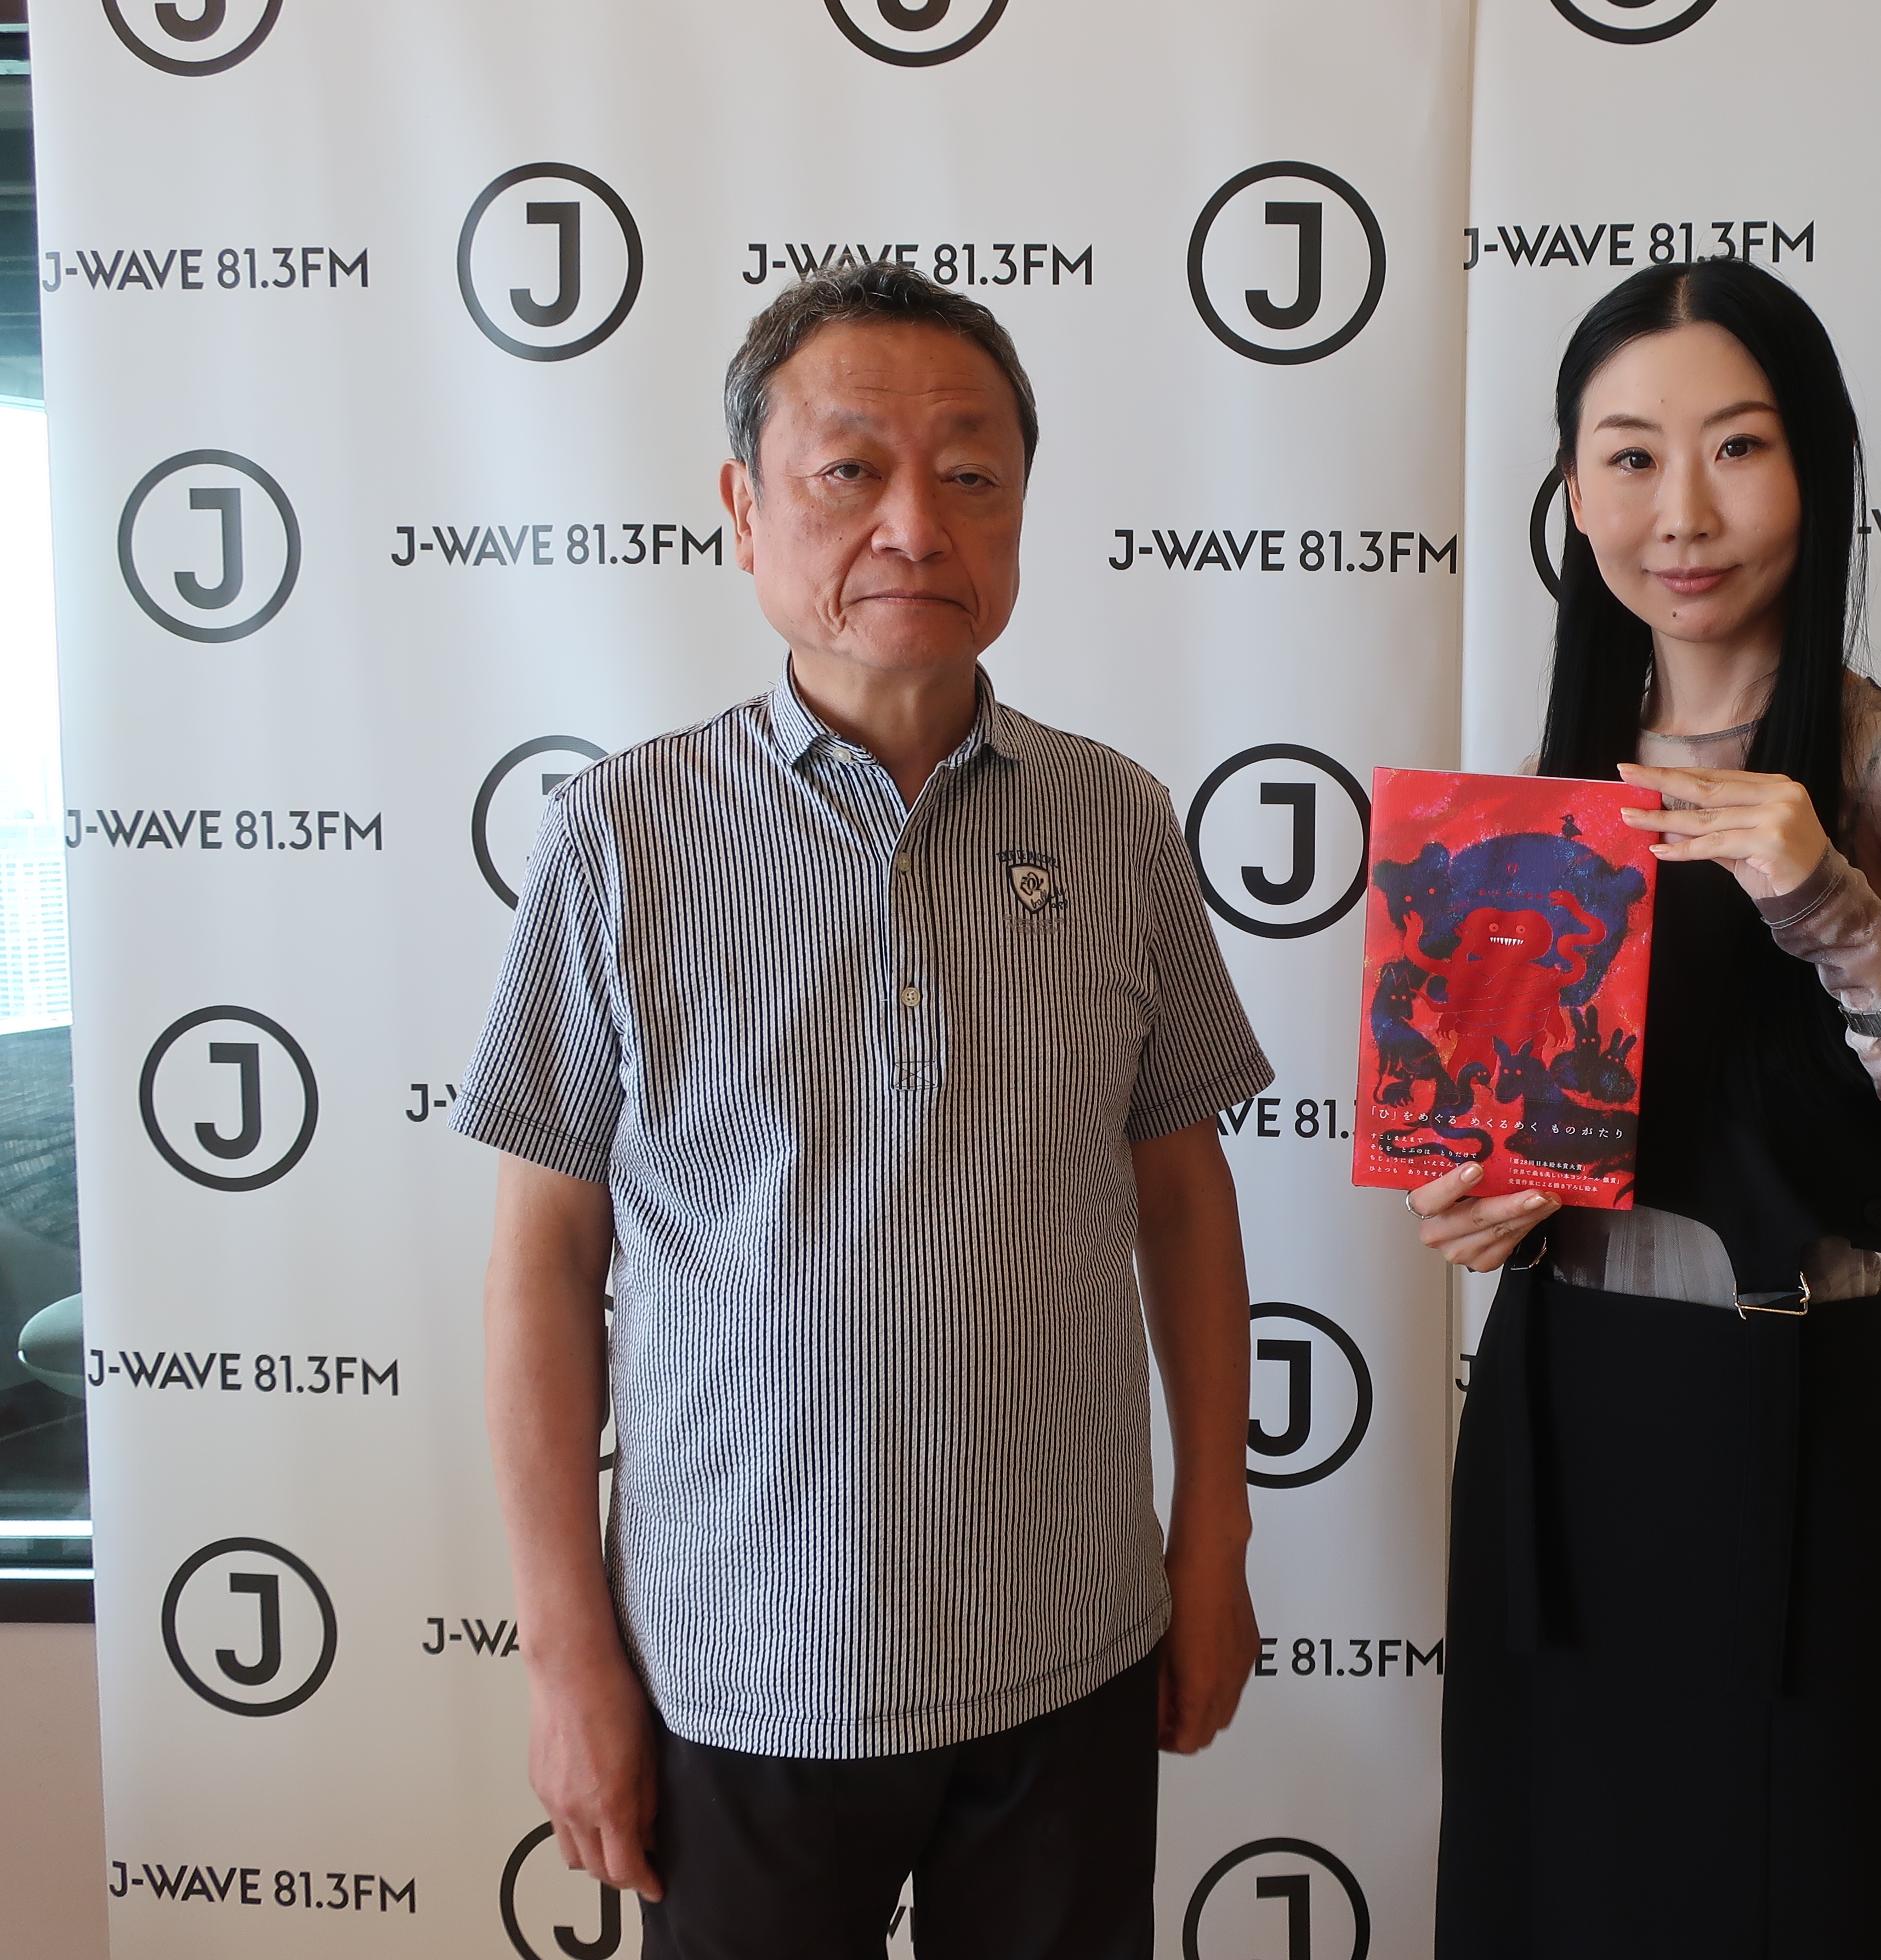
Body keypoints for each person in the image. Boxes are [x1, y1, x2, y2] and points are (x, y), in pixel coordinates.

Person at [458, 260, 1272, 1960]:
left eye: (972, 474)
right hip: (736, 1664)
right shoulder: (619, 838)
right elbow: (544, 1261)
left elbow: (1183, 1196)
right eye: (851, 470)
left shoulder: (1117, 824)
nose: (916, 523)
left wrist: (1213, 1540)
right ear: (744, 508)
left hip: (1066, 1640)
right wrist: (565, 1651)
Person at [1407, 258, 1881, 1954]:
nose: (1681, 513)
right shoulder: (1545, 795)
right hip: (1555, 1429)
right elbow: (1504, 1159)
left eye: (1739, 448)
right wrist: (1484, 1202)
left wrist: (1831, 906)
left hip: (1788, 1428)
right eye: (1629, 457)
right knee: (1541, 1899)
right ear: (1575, 495)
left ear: (1817, 470)